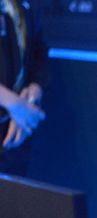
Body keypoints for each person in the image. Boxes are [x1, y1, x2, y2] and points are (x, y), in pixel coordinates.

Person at [0, 0, 47, 176]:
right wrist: (14, 104)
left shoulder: (24, 5)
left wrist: (34, 91)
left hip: (15, 136)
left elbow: (39, 51)